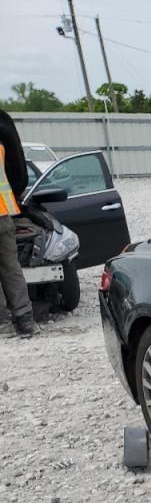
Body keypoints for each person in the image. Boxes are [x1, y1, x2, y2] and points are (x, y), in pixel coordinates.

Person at [0, 109, 37, 338]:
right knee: (11, 268)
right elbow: (17, 173)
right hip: (3, 213)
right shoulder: (3, 137)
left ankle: (3, 325)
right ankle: (25, 321)